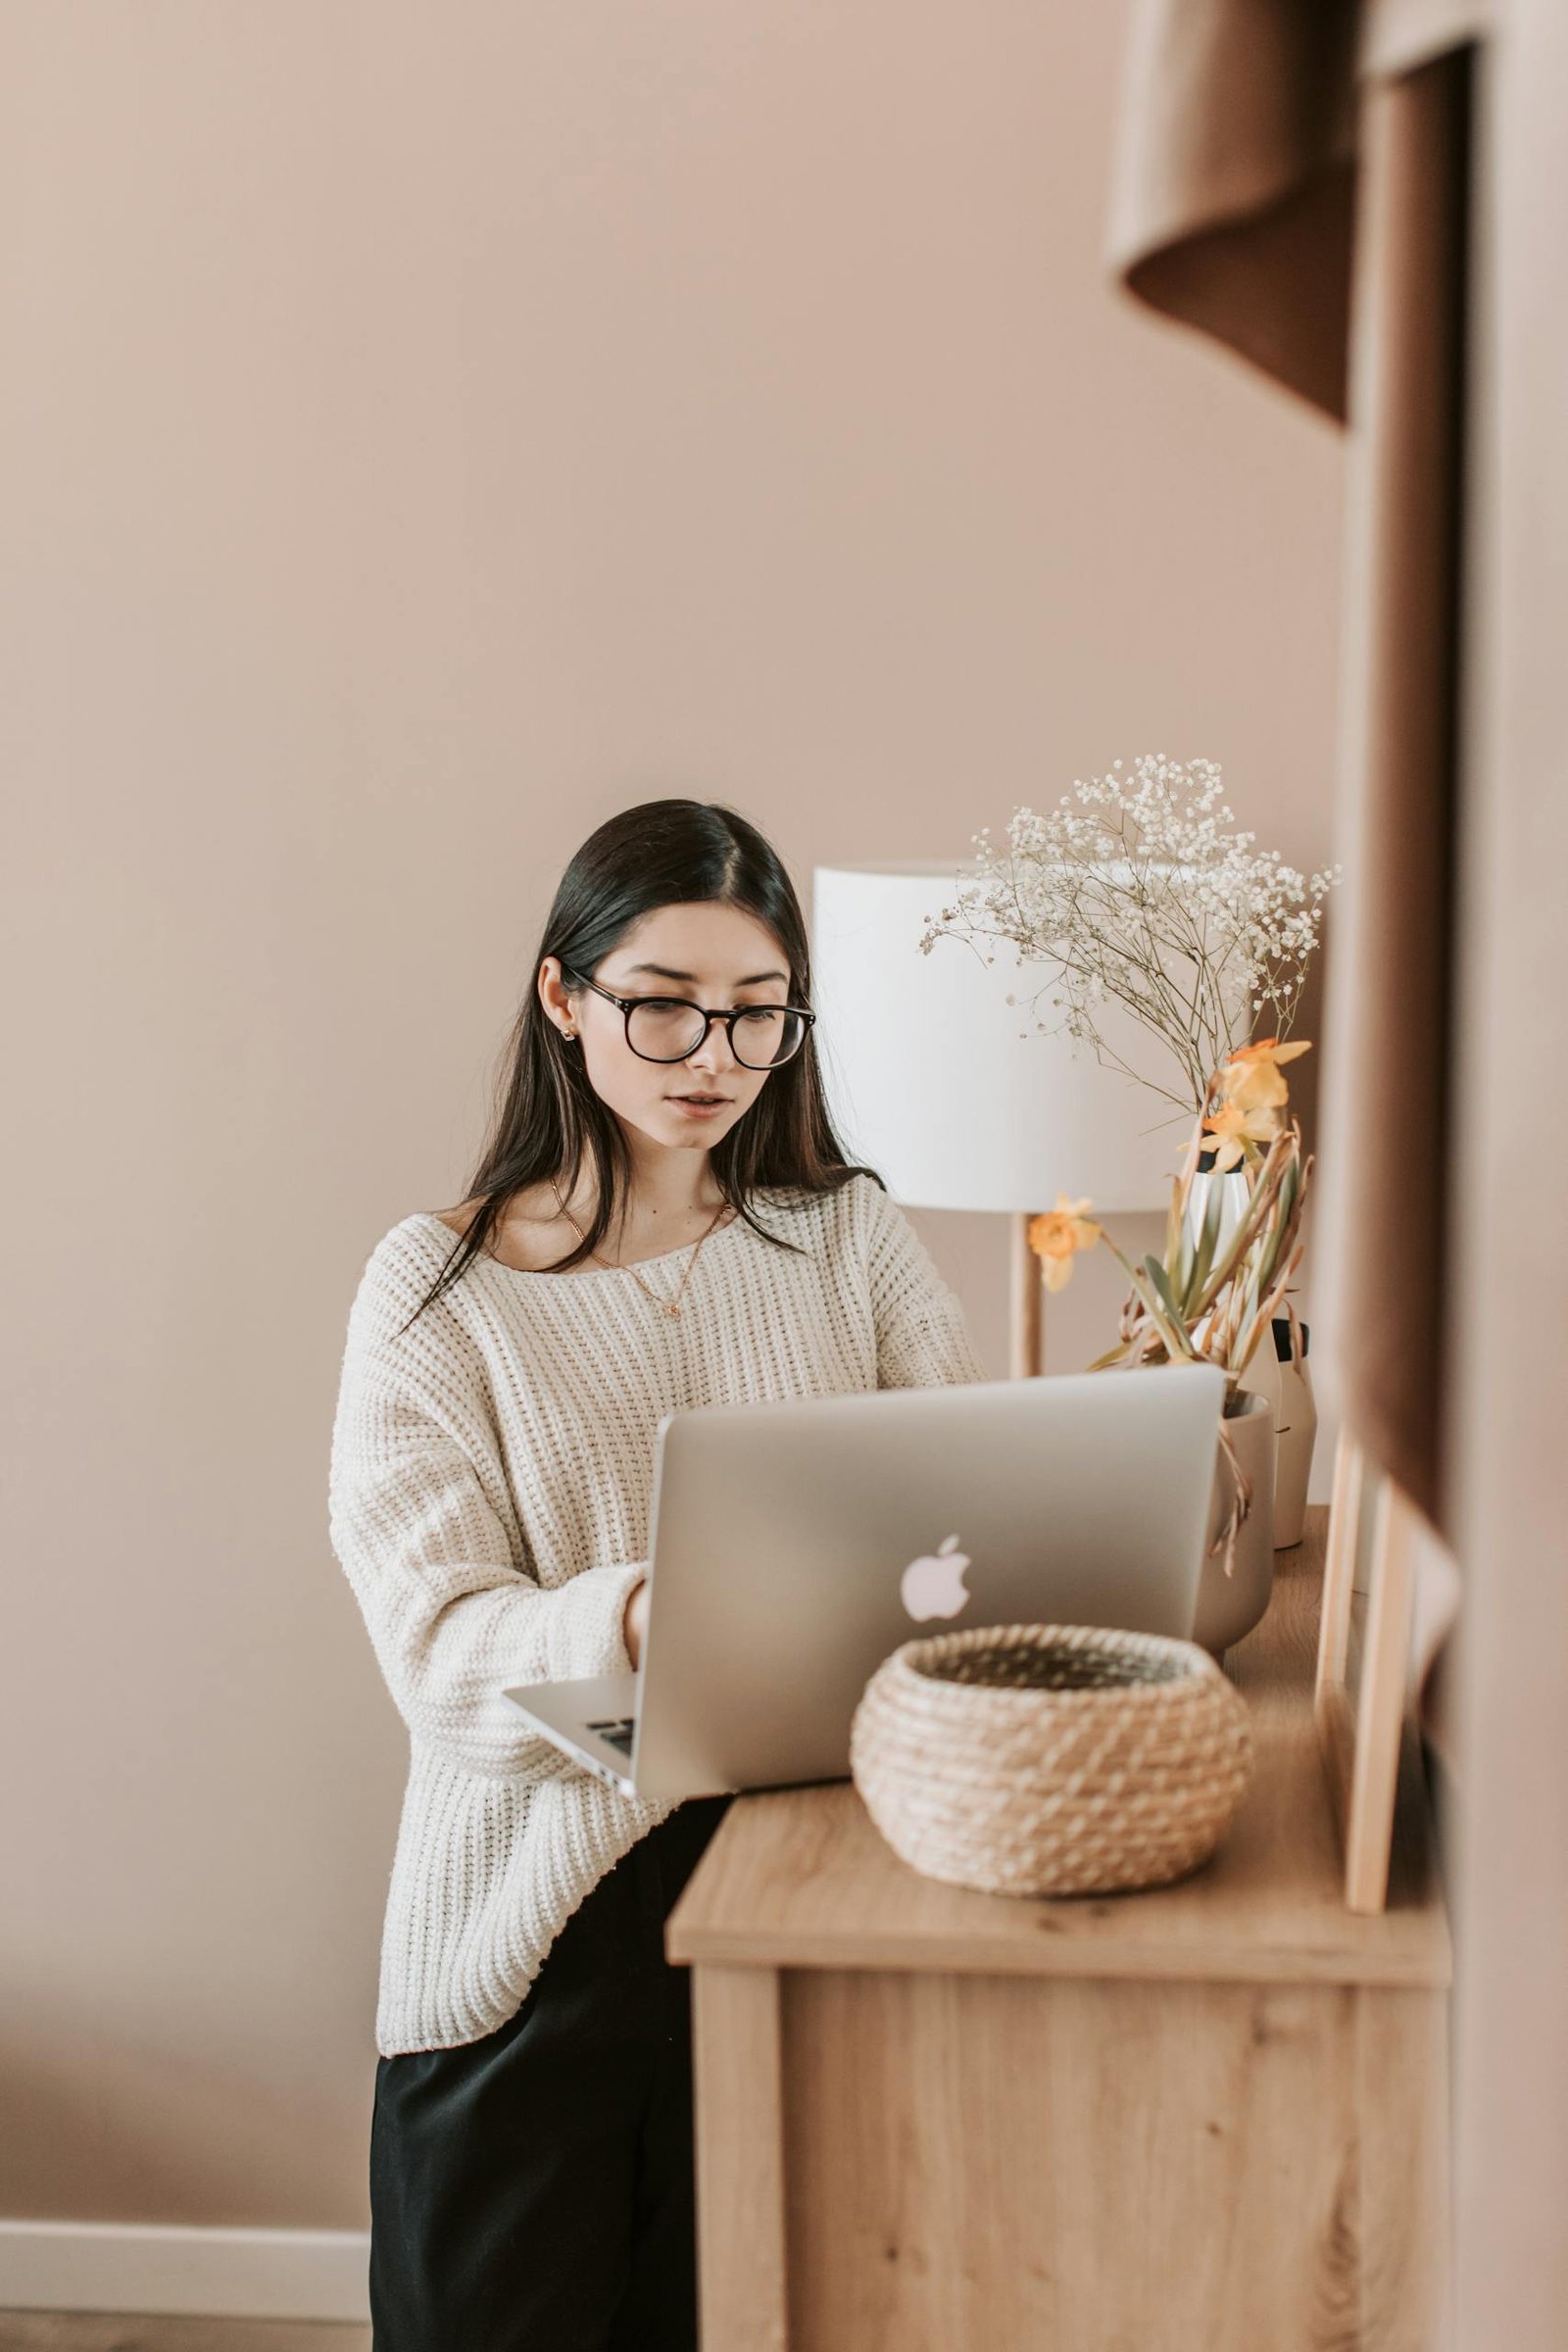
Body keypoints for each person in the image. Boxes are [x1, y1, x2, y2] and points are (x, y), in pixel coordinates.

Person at [327, 797, 989, 2350]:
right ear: (564, 998)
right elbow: (434, 1642)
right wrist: (640, 1605)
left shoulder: (849, 1242)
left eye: (759, 1016)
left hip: (803, 1891)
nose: (714, 1055)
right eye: (666, 1005)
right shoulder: (440, 1287)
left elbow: (965, 1518)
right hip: (534, 1932)